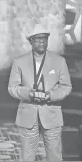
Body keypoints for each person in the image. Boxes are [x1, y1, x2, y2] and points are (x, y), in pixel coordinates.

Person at [8, 24, 72, 161]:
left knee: (55, 156)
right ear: (30, 41)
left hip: (52, 114)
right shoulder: (19, 62)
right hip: (27, 115)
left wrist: (51, 95)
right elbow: (12, 87)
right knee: (27, 157)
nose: (42, 41)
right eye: (37, 39)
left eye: (44, 38)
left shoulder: (59, 61)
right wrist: (28, 93)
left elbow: (66, 86)